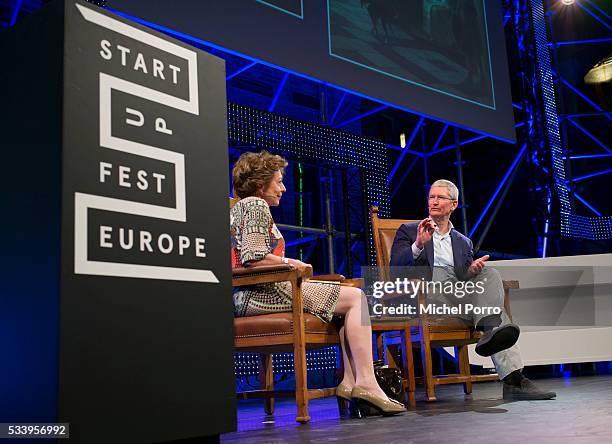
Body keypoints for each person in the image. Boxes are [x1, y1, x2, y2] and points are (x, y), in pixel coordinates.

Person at [231, 151, 405, 416]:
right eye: (278, 181)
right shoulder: (255, 205)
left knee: (345, 303)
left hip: (253, 293)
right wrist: (293, 264)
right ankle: (366, 383)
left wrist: (289, 263)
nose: (284, 187)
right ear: (259, 184)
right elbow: (253, 257)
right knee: (356, 298)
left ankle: (349, 383)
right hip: (259, 293)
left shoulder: (243, 207)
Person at [390, 179, 556, 401]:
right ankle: (513, 378)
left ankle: (493, 336)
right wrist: (418, 245)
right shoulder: (410, 231)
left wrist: (470, 271)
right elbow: (393, 271)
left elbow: (462, 278)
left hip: (456, 296)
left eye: (440, 197)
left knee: (491, 274)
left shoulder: (463, 242)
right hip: (426, 294)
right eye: (431, 197)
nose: (434, 201)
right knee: (497, 317)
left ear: (454, 204)